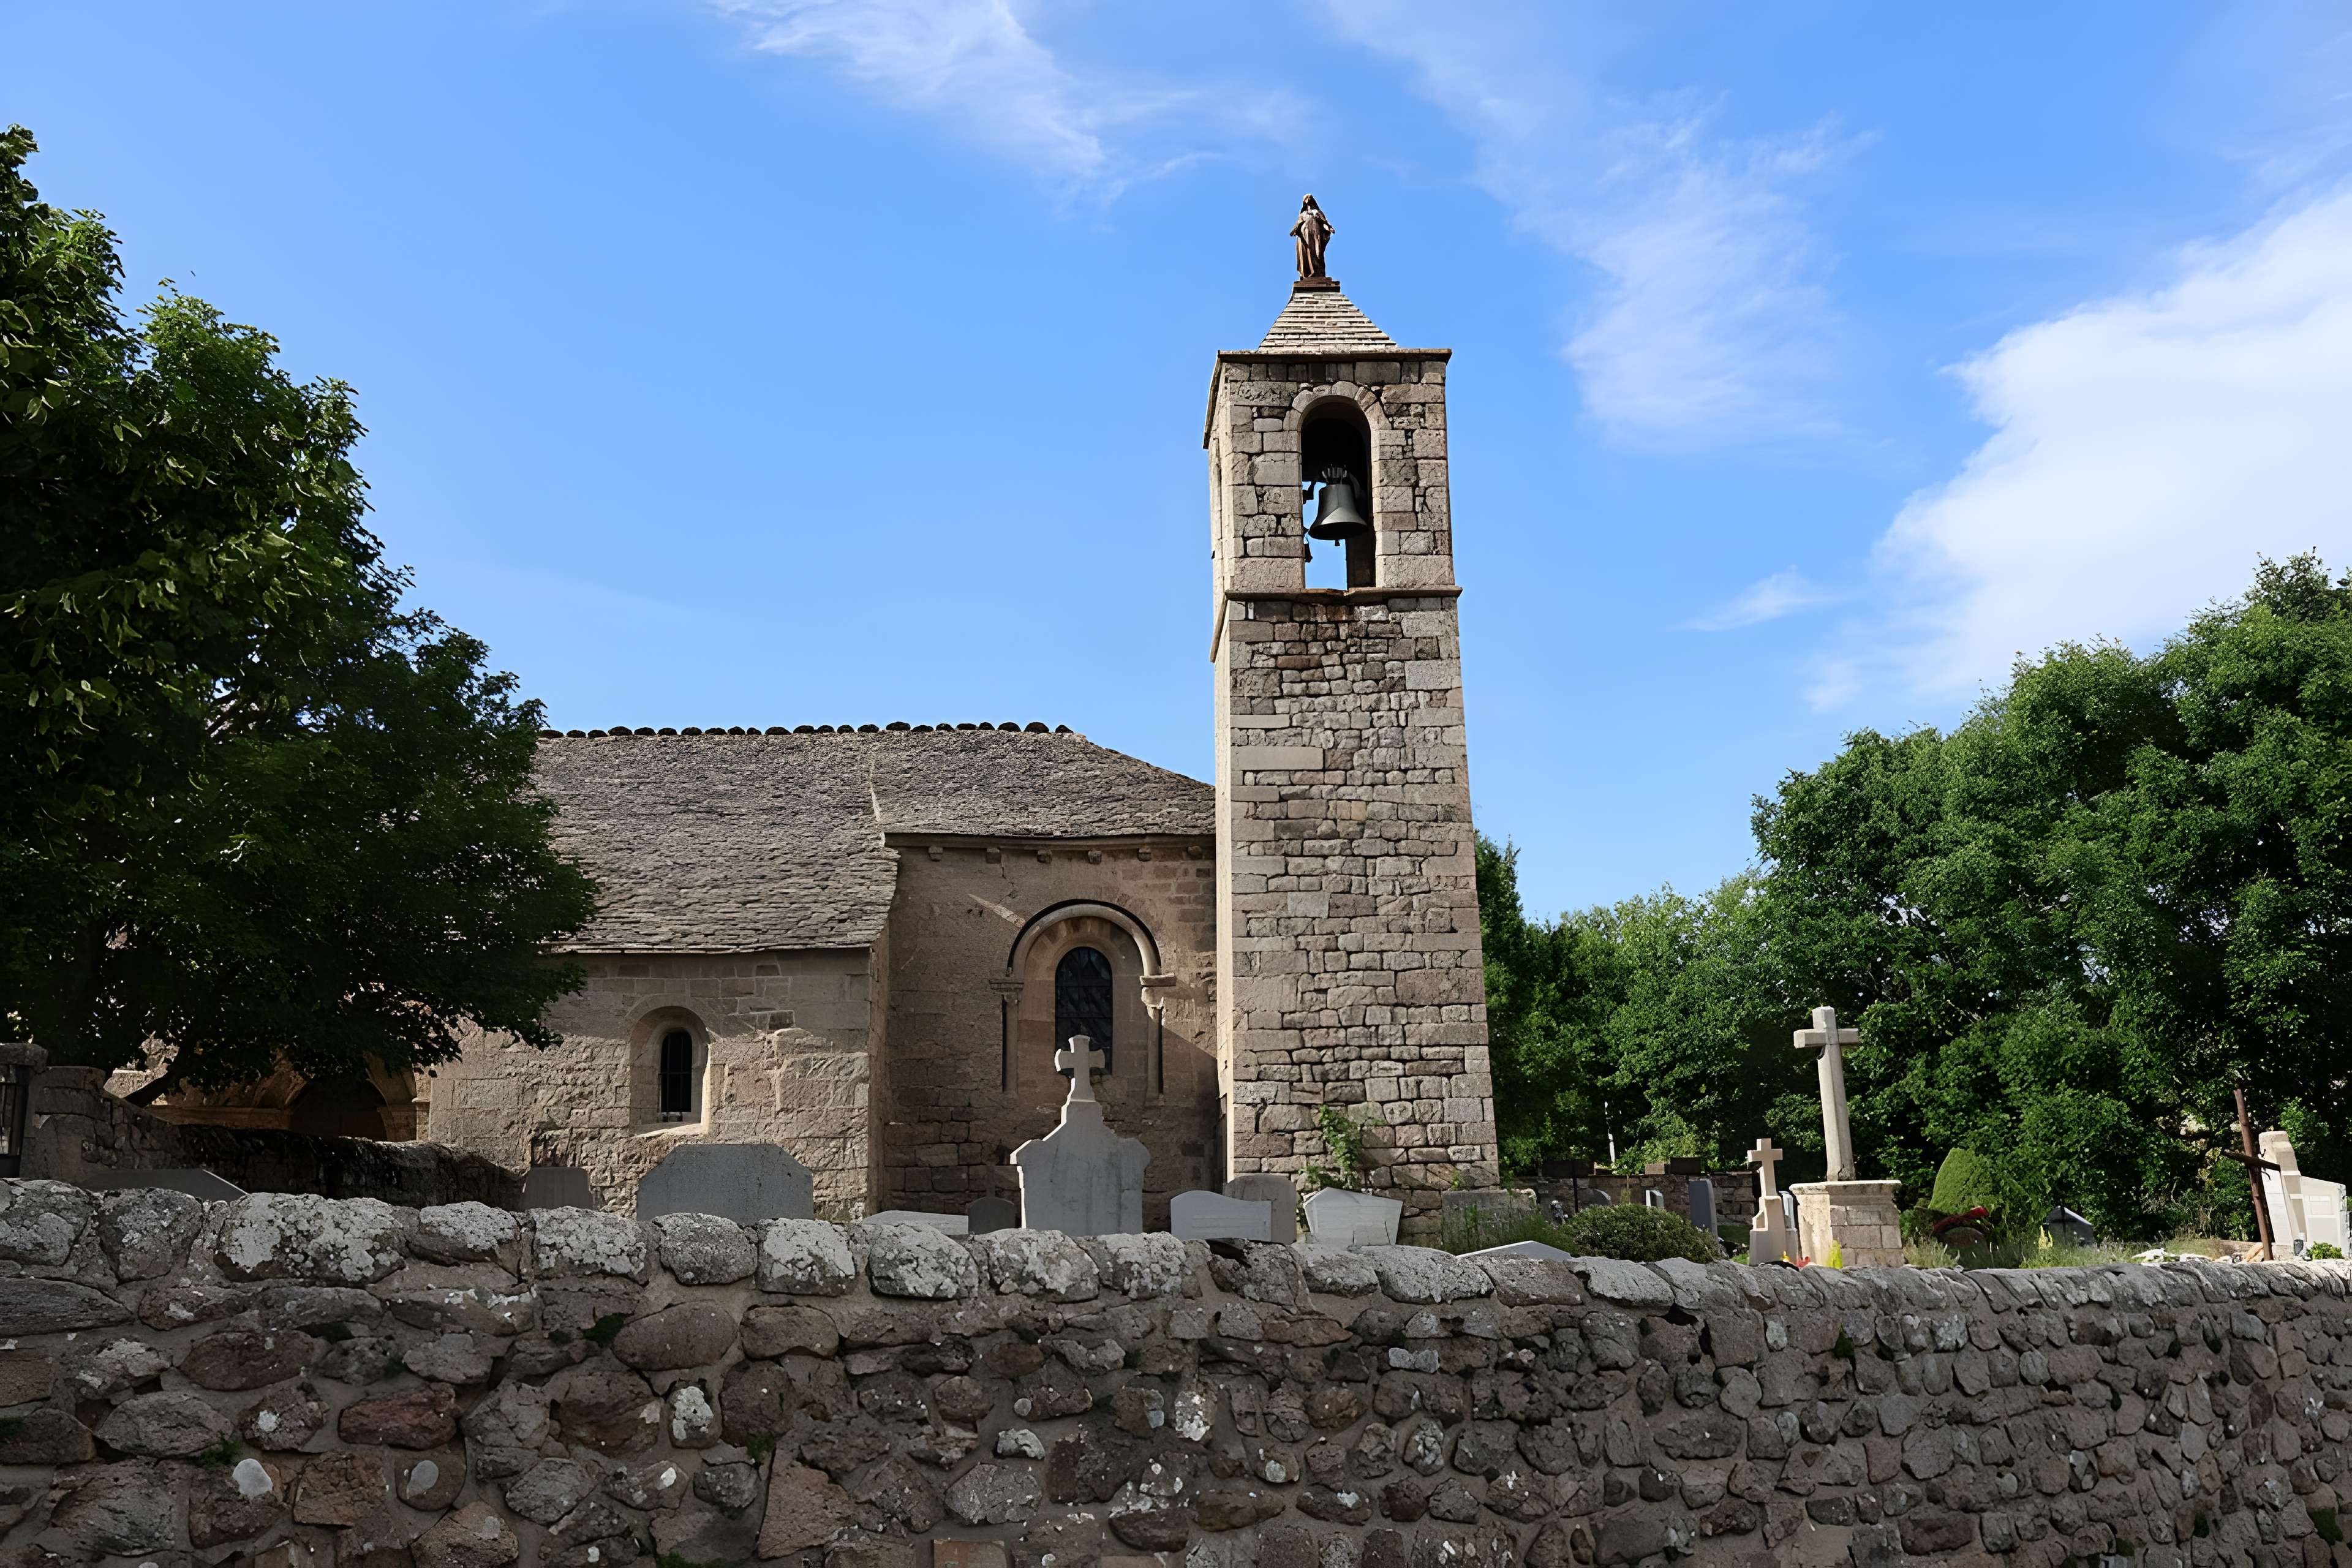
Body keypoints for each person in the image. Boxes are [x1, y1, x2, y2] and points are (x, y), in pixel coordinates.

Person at [1292, 195, 1333, 279]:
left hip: (1316, 232)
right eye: (1306, 198)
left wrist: (1328, 227)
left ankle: (1319, 273)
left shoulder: (1317, 211)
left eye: (1309, 198)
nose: (1307, 200)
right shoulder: (1303, 213)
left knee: (1318, 253)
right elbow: (1297, 225)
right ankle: (1307, 275)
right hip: (1305, 234)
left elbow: (1324, 222)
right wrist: (1296, 230)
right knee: (1307, 252)